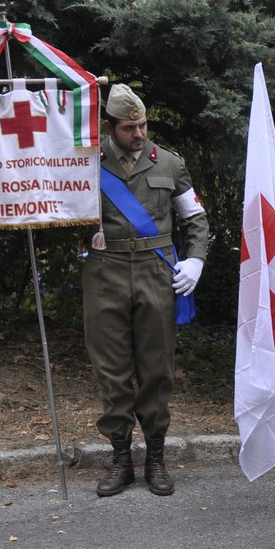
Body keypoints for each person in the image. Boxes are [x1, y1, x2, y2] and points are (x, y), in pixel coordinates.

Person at [85, 84, 210, 498]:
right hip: (106, 272)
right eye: (129, 128)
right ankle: (121, 460)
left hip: (157, 274)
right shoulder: (85, 164)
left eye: (142, 125)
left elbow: (195, 219)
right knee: (112, 371)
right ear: (109, 127)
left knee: (157, 369)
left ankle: (155, 458)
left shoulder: (170, 164)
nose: (139, 135)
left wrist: (195, 259)